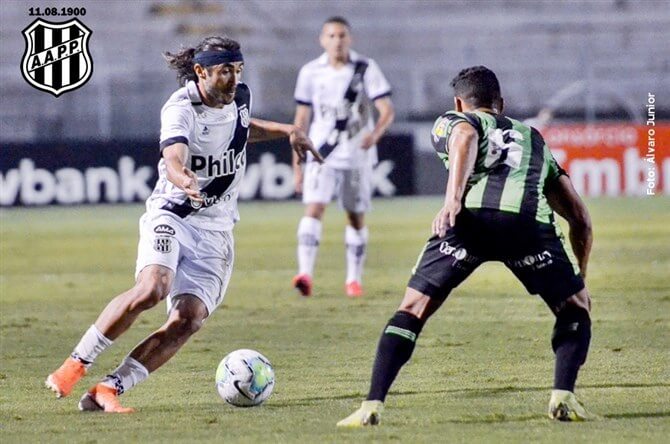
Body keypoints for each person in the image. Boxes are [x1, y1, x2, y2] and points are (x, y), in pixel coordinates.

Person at [45, 35, 322, 413]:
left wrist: (287, 130)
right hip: (174, 212)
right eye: (225, 71)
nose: (234, 78)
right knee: (152, 289)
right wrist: (184, 179)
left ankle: (108, 390)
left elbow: (240, 129)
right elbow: (173, 156)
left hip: (217, 230)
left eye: (238, 70)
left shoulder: (239, 96)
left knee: (189, 320)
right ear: (201, 71)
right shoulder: (180, 109)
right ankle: (75, 364)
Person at [337, 66, 595, 426]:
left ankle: (371, 406)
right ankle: (563, 396)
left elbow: (463, 137)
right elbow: (579, 217)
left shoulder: (455, 119)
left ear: (459, 102)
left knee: (413, 308)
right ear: (500, 104)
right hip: (525, 226)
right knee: (574, 308)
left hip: (467, 222)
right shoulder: (534, 139)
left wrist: (452, 199)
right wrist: (579, 278)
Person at [291, 16, 395, 298]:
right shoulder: (311, 72)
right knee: (314, 208)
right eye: (332, 36)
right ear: (322, 40)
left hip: (355, 154)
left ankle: (353, 279)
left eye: (342, 36)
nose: (337, 41)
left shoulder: (365, 68)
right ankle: (305, 274)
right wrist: (297, 164)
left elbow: (386, 109)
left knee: (355, 216)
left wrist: (375, 135)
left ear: (350, 39)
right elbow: (301, 119)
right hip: (320, 151)